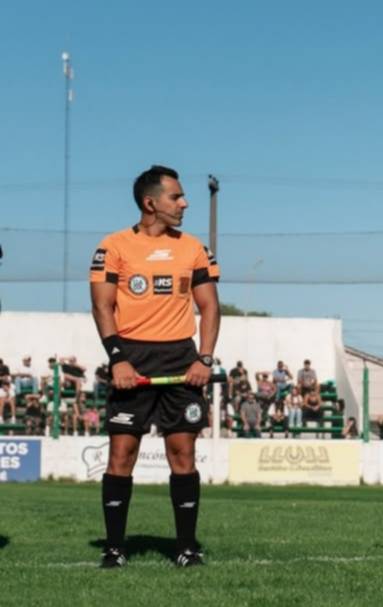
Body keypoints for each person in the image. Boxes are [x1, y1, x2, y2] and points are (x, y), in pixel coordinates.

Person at [89, 165, 220, 568]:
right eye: (176, 197)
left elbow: (209, 306)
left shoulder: (194, 248)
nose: (184, 203)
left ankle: (185, 548)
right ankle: (115, 548)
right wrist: (118, 359)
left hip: (181, 360)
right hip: (132, 358)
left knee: (183, 454)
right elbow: (102, 306)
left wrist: (204, 358)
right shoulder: (112, 246)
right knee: (121, 455)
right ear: (151, 203)